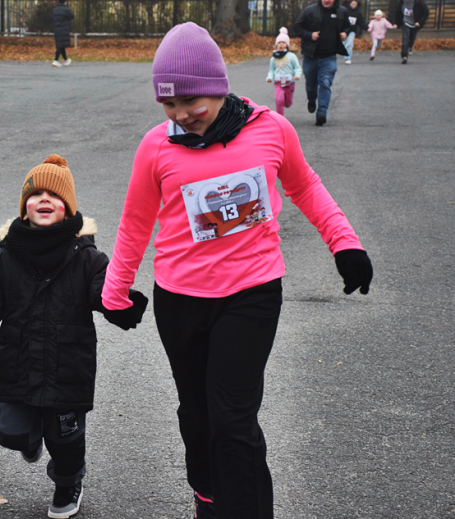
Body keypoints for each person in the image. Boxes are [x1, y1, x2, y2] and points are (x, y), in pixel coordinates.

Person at [101, 22, 373, 519]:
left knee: (232, 417)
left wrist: (344, 242)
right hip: (179, 298)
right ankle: (207, 495)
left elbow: (306, 187)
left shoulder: (270, 129)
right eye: (169, 106)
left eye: (192, 104)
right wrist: (114, 291)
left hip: (251, 294)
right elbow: (135, 223)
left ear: (218, 90)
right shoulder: (156, 147)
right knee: (196, 414)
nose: (181, 115)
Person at [0, 154, 148, 519]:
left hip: (69, 368)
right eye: (35, 195)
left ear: (68, 209)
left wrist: (122, 304)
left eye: (55, 196)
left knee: (65, 439)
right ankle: (29, 438)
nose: (44, 201)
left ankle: (68, 483)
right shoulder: (3, 261)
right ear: (24, 208)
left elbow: (105, 293)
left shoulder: (88, 258)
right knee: (9, 429)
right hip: (18, 365)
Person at [294, 0, 350, 126]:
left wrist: (345, 33)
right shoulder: (310, 10)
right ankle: (312, 99)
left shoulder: (342, 11)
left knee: (325, 82)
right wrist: (309, 35)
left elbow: (348, 25)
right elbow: (297, 27)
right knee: (311, 85)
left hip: (329, 57)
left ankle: (322, 113)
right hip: (311, 56)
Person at [265, 28, 302, 117]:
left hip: (289, 83)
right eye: (279, 43)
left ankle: (287, 102)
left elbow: (297, 68)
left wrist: (297, 75)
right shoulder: (274, 58)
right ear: (276, 44)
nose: (281, 45)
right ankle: (280, 117)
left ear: (287, 45)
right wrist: (269, 77)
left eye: (283, 43)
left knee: (288, 103)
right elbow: (272, 70)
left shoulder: (292, 56)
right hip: (278, 83)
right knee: (279, 99)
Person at [52, 0, 74, 67]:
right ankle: (55, 60)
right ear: (64, 2)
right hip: (64, 29)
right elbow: (72, 16)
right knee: (60, 46)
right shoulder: (65, 9)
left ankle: (66, 60)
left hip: (56, 29)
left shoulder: (55, 10)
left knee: (61, 45)